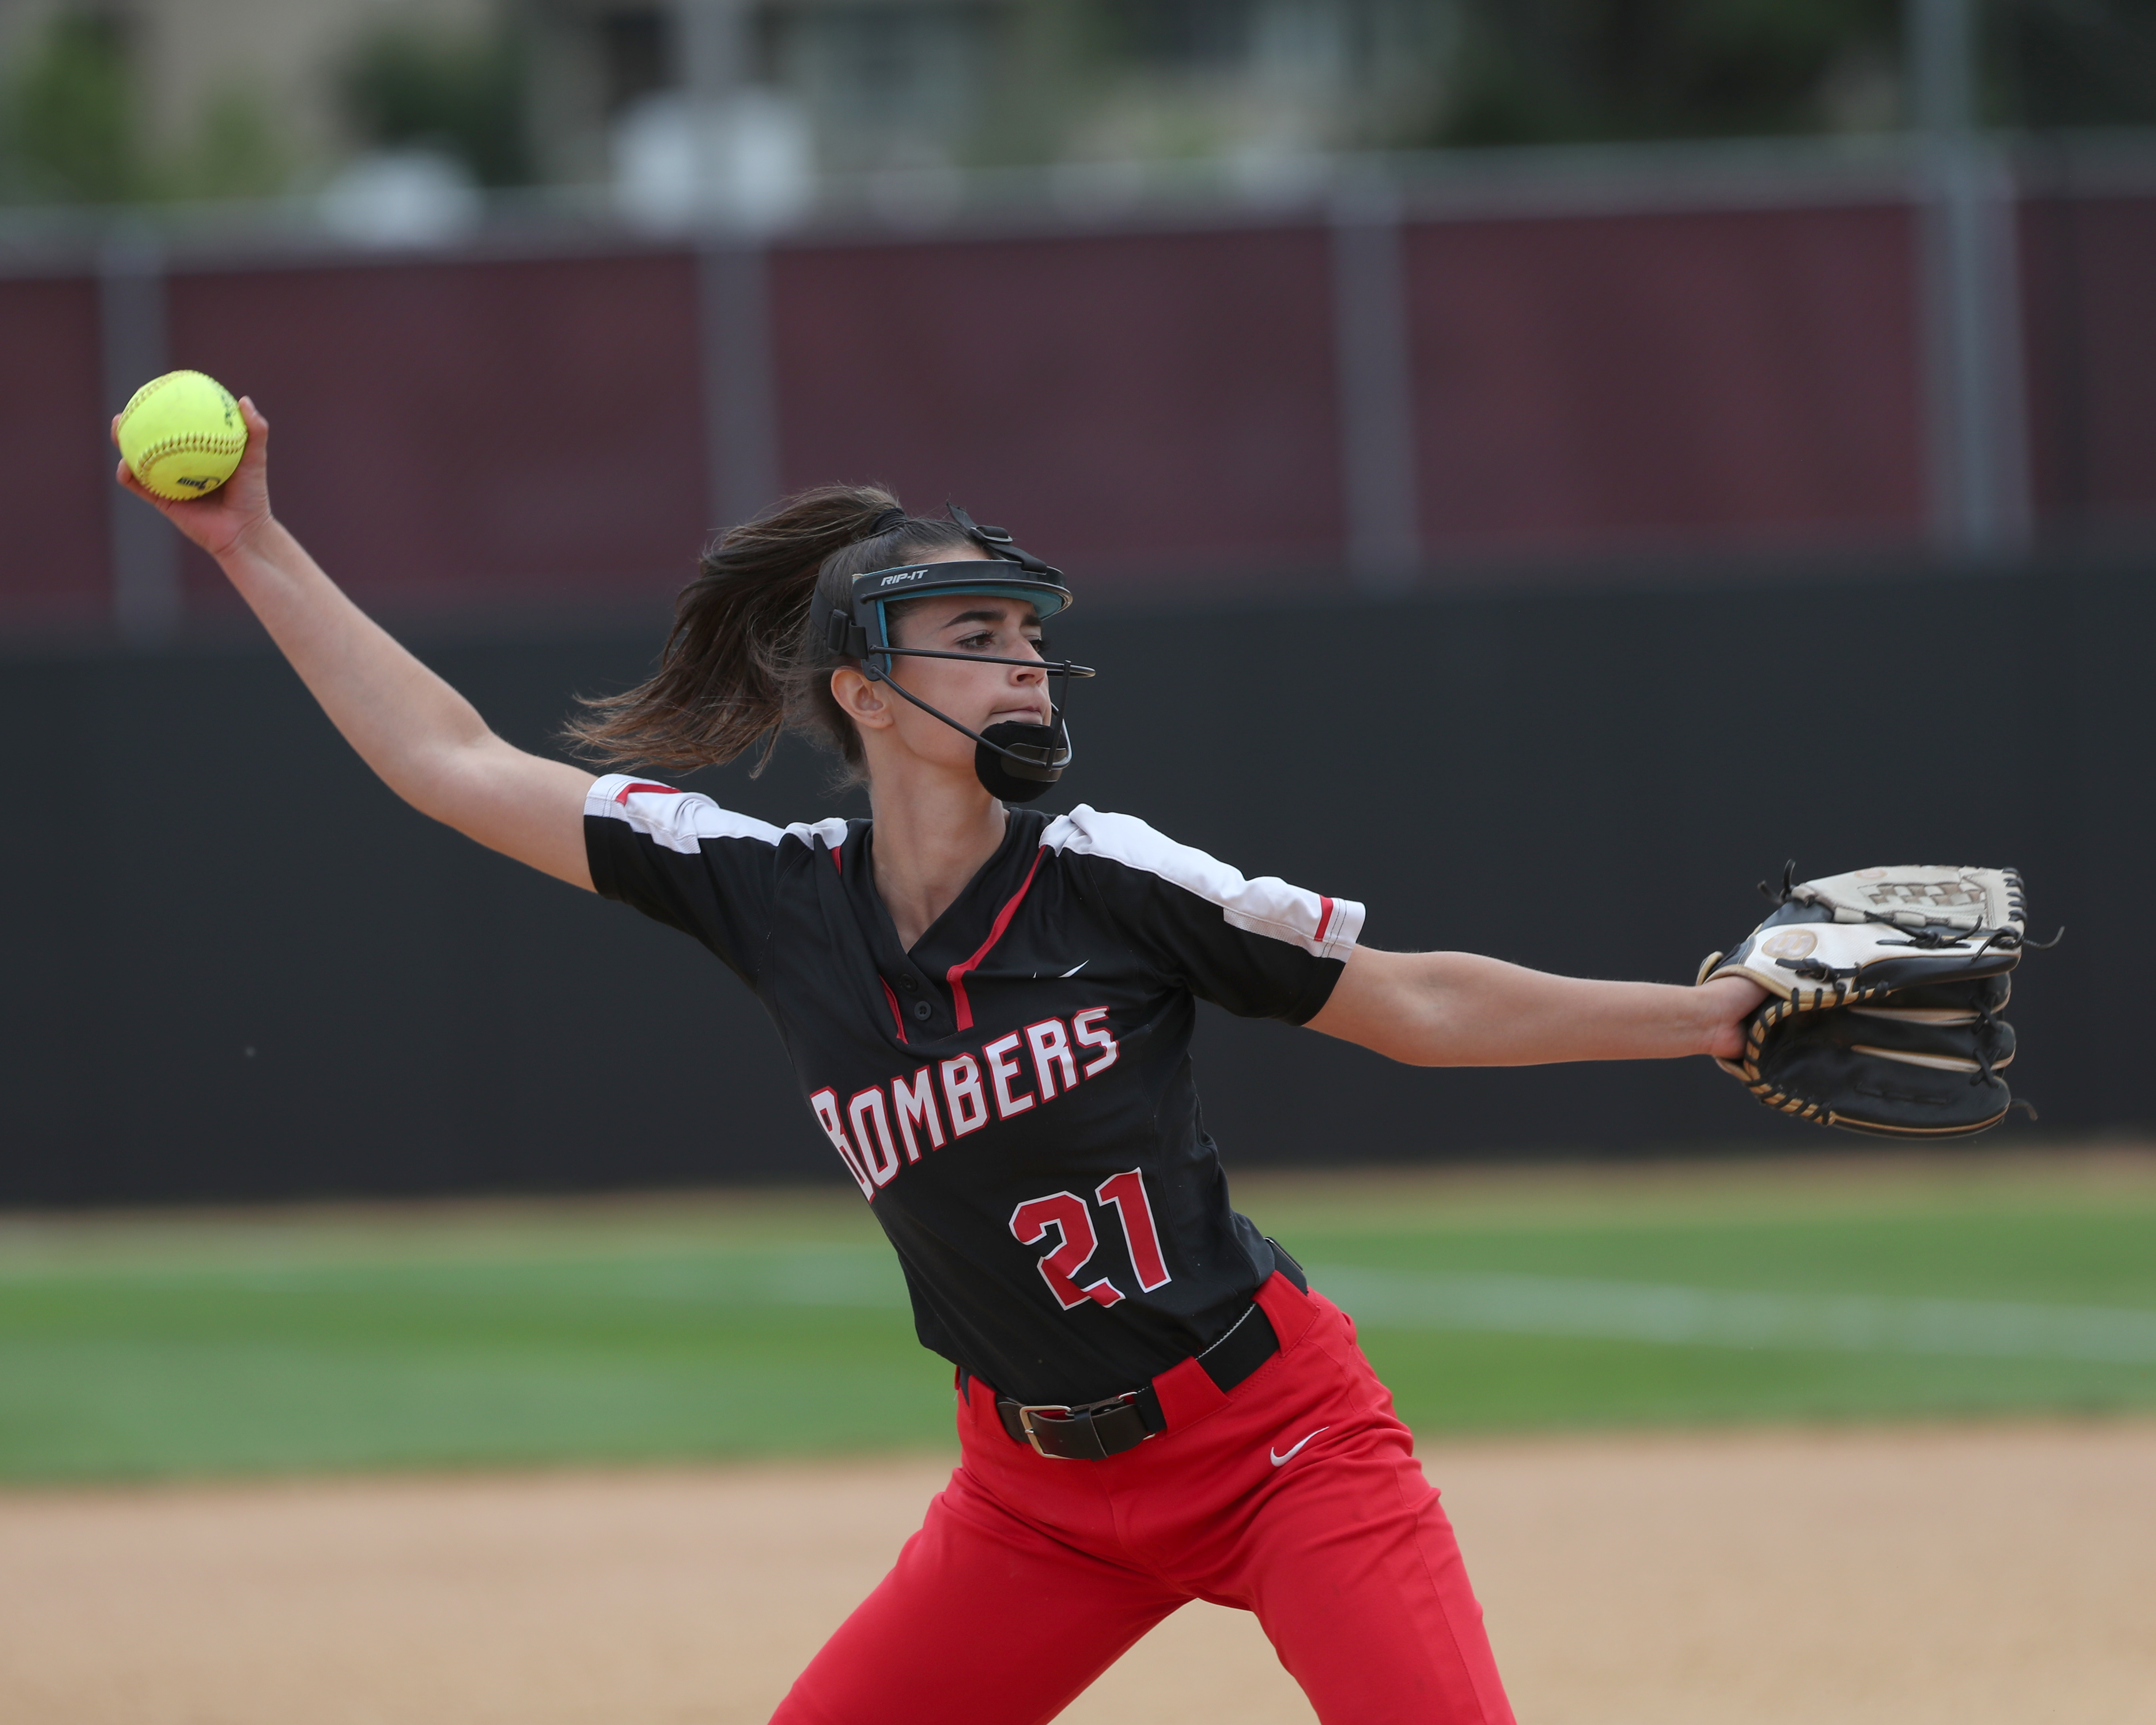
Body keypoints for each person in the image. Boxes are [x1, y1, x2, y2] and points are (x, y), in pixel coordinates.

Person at [116, 399, 1766, 1725]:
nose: (1026, 659)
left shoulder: (1106, 875)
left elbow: (1414, 1002)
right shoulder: (770, 893)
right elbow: (449, 760)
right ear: (869, 693)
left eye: (1030, 633)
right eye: (976, 634)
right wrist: (252, 543)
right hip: (1031, 1497)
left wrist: (1702, 1015)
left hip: (1279, 1448)